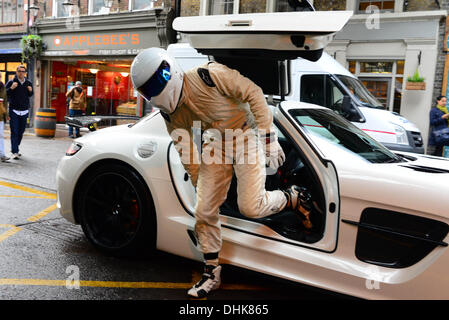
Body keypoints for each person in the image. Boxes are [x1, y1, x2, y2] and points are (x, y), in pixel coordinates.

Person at [131, 48, 313, 298]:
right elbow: (185, 149)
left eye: (154, 84)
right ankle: (211, 271)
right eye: (146, 90)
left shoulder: (209, 75)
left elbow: (254, 94)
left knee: (251, 207)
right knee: (203, 210)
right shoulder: (170, 113)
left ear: (169, 70)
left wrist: (268, 138)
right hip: (215, 144)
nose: (152, 92)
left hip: (246, 136)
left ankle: (291, 197)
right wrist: (201, 185)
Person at [6, 65, 33, 160]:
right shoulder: (11, 82)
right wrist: (11, 88)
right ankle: (15, 151)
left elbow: (30, 94)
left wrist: (30, 91)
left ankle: (15, 147)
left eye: (23, 71)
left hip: (25, 110)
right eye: (20, 71)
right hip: (14, 110)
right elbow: (5, 93)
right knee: (14, 131)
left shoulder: (28, 83)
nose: (21, 73)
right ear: (16, 72)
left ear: (25, 72)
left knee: (21, 132)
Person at [0, 81, 9, 162]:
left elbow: (5, 102)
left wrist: (6, 114)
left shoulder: (3, 87)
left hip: (0, 116)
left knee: (1, 136)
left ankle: (2, 155)